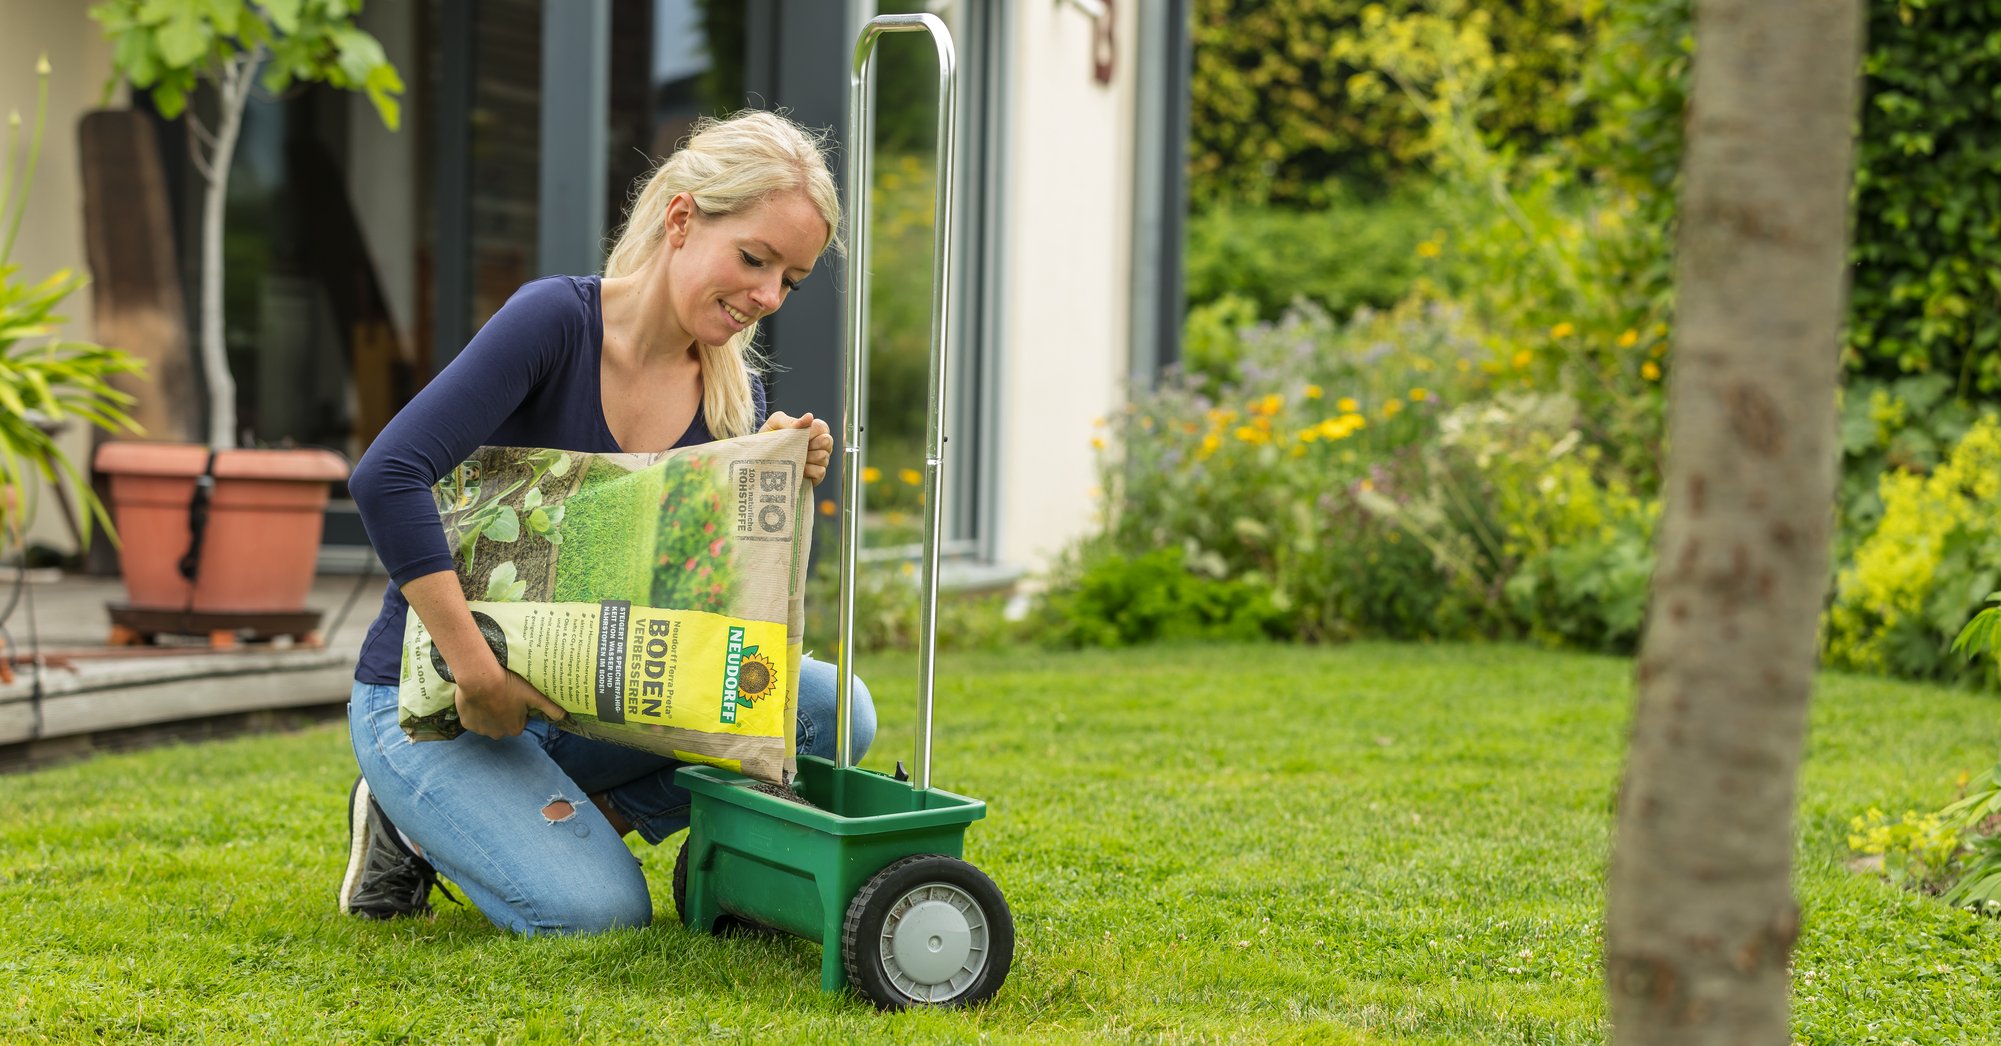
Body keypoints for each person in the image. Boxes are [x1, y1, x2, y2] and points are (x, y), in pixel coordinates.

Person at [339, 110, 875, 933]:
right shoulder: (554, 322)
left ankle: (555, 823)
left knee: (831, 709)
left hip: (588, 698)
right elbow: (388, 475)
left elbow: (735, 643)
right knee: (598, 914)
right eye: (754, 259)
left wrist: (769, 497)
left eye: (789, 281)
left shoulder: (738, 402)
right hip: (442, 696)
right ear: (682, 219)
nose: (767, 297)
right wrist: (477, 671)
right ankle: (408, 819)